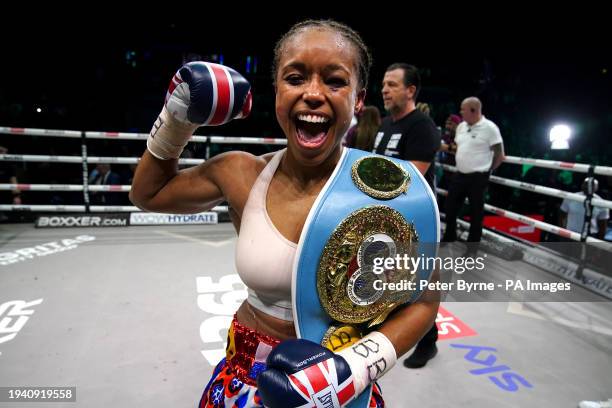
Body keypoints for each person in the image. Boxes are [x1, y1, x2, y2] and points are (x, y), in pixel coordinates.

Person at [130, 20, 438, 408]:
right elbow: (149, 194)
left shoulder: (390, 194)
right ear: (276, 91)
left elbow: (425, 300)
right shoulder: (240, 173)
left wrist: (352, 371)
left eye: (335, 81)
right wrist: (177, 118)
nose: (313, 94)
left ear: (358, 99)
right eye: (295, 78)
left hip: (339, 384)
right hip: (244, 374)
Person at [375, 63, 441, 369]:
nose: (384, 89)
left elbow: (411, 178)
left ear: (410, 90)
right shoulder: (385, 124)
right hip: (386, 217)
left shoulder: (422, 126)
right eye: (384, 84)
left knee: (417, 286)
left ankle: (428, 342)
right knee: (387, 281)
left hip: (413, 221)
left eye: (392, 84)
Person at [441, 97, 505, 246]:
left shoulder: (490, 128)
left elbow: (500, 155)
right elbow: (460, 147)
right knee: (449, 206)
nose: (460, 112)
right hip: (460, 174)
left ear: (473, 110)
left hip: (478, 177)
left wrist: (488, 170)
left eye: (463, 109)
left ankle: (472, 248)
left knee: (476, 213)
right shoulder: (462, 127)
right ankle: (450, 235)